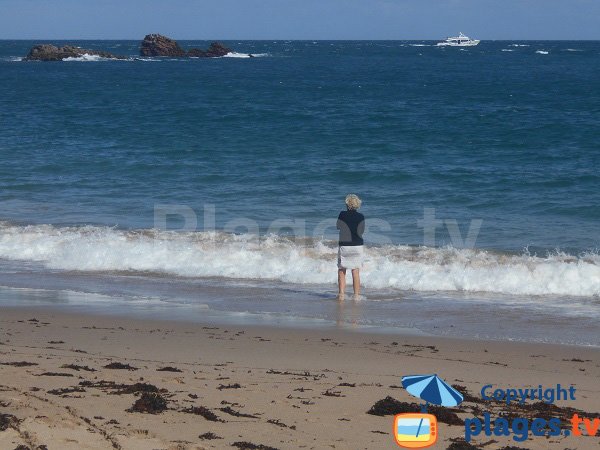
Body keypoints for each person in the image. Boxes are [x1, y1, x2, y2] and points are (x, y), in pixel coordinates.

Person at [336, 194, 365, 298]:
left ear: (347, 204)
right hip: (357, 246)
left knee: (342, 270)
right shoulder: (361, 216)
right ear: (357, 204)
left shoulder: (342, 214)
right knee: (355, 270)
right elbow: (361, 231)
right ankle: (356, 295)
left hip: (345, 246)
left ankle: (341, 295)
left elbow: (338, 226)